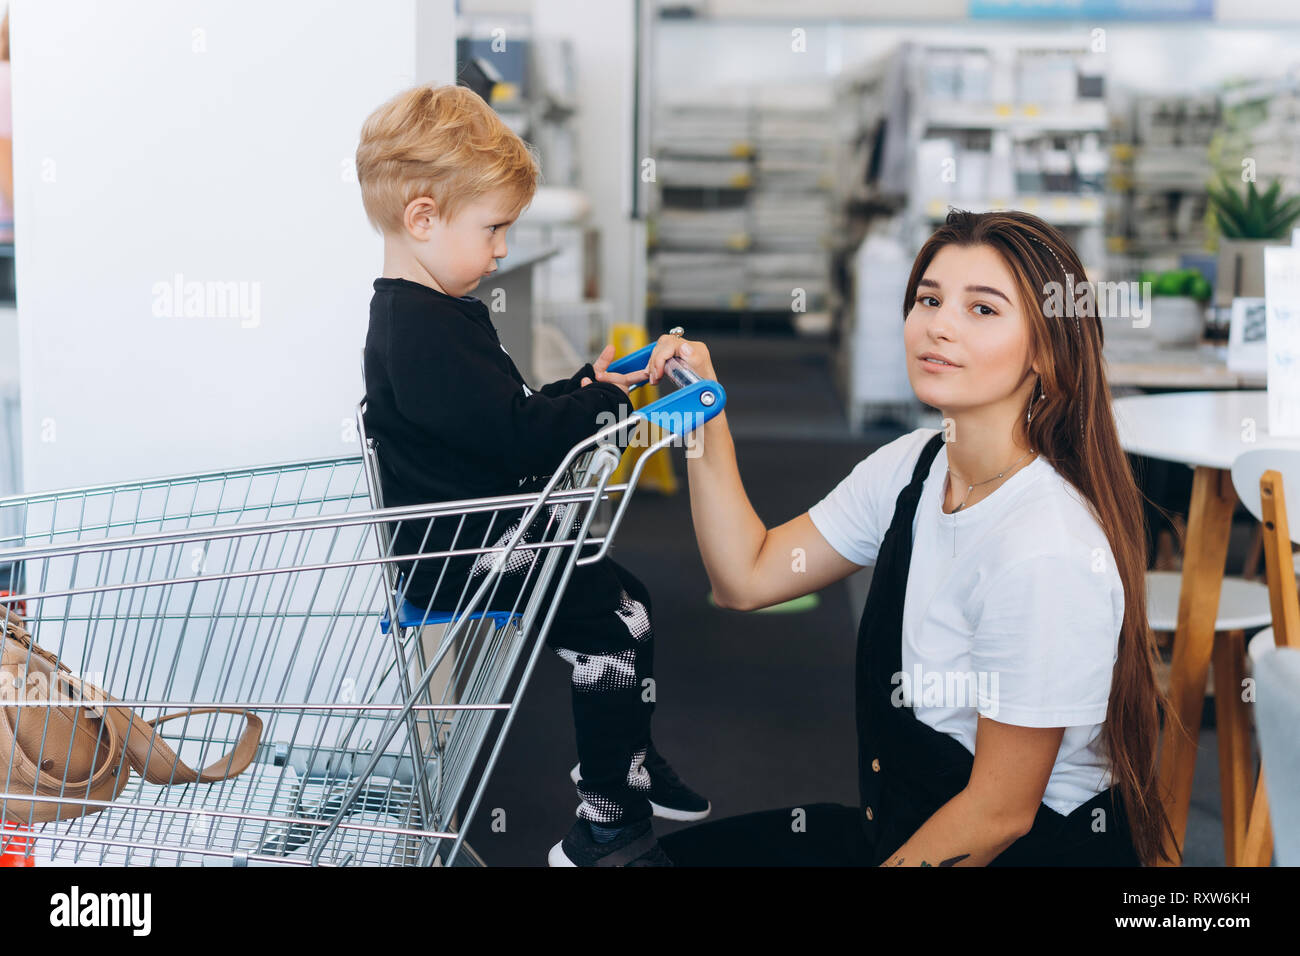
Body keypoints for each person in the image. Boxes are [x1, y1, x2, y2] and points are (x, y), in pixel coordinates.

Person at [647, 209, 1181, 866]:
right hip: (905, 829)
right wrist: (704, 414)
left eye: (982, 310)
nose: (939, 324)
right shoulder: (915, 466)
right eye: (928, 299)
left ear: (1046, 350)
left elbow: (998, 815)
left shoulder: (1047, 548)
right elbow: (747, 575)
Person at [354, 84, 709, 867]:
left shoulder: (435, 312)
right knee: (614, 628)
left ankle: (626, 765)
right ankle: (608, 813)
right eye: (495, 229)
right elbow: (518, 443)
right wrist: (603, 410)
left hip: (488, 536)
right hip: (462, 555)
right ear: (422, 218)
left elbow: (501, 413)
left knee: (630, 603)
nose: (503, 249)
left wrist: (593, 385)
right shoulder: (417, 331)